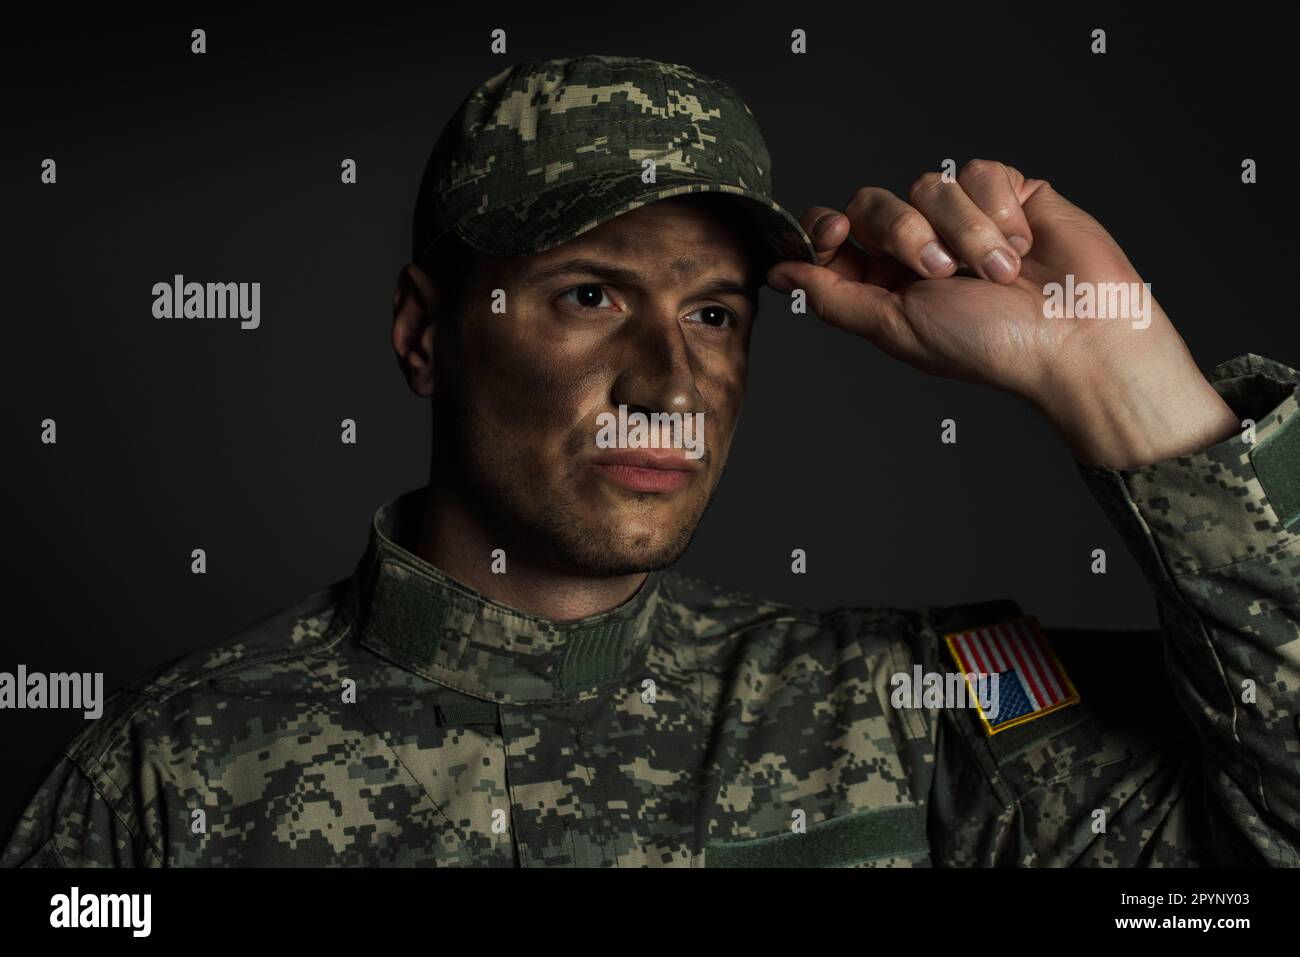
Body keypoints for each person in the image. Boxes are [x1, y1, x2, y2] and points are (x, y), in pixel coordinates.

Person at [5, 54, 1297, 867]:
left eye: (715, 314)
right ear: (423, 336)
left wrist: (1113, 372)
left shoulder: (903, 720)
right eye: (586, 296)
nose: (671, 382)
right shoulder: (168, 773)